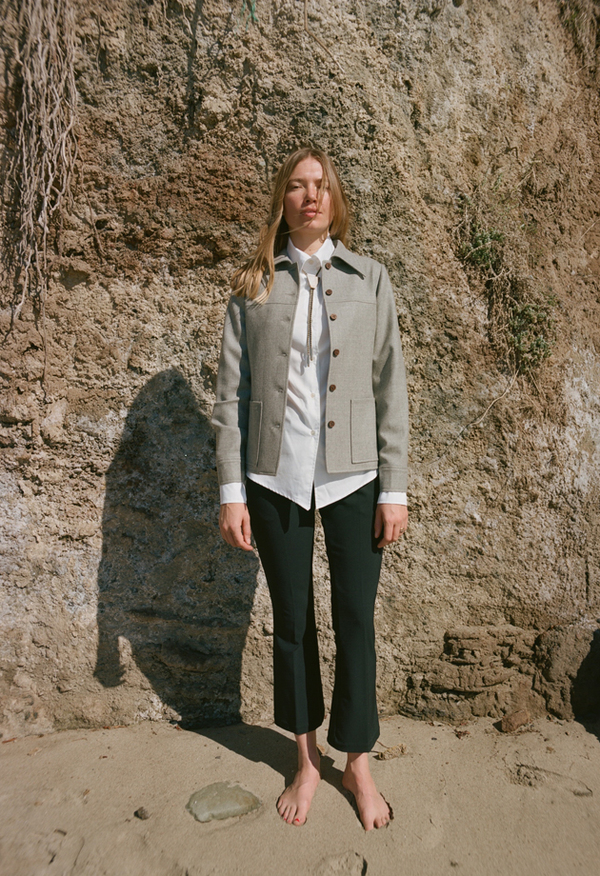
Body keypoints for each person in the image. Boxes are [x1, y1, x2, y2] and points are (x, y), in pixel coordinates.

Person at [211, 147, 408, 831]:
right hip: (276, 476)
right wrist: (231, 490)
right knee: (292, 620)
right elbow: (231, 396)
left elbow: (390, 388)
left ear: (335, 198)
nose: (310, 195)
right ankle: (305, 758)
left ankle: (357, 762)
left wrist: (394, 489)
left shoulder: (370, 278)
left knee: (356, 617)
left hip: (355, 477)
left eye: (320, 185)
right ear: (283, 199)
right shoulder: (253, 285)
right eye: (297, 185)